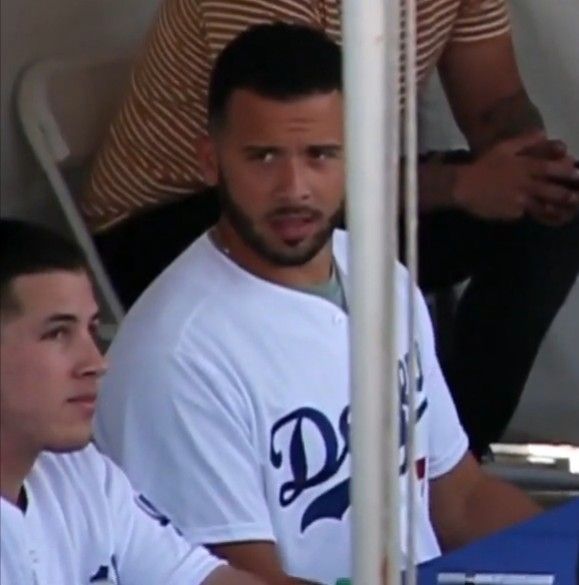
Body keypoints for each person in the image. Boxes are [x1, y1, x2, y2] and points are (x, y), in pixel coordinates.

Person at [94, 24, 541, 585]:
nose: (295, 188)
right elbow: (247, 578)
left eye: (321, 155)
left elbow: (461, 499)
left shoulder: (380, 275)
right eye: (263, 157)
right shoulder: (174, 354)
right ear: (210, 161)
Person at [82, 0, 579, 458]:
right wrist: (460, 185)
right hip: (175, 216)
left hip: (326, 187)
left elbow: (496, 102)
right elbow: (285, 147)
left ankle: (447, 456)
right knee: (297, 188)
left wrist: (534, 168)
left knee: (543, 218)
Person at [0, 219, 263, 585]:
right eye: (57, 333)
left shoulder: (81, 471)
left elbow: (203, 579)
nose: (95, 363)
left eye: (91, 330)